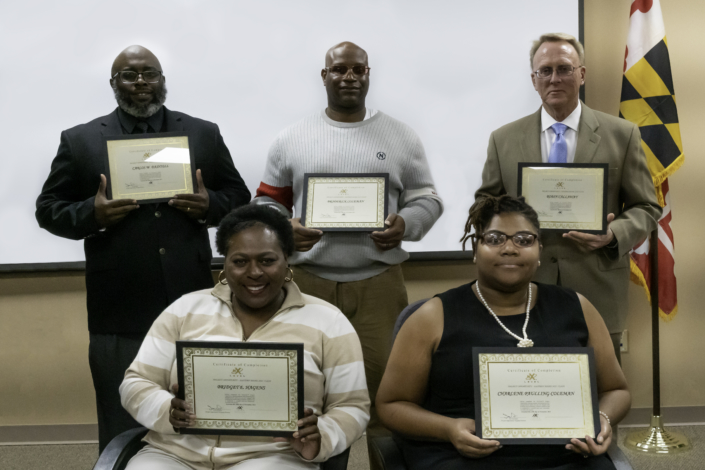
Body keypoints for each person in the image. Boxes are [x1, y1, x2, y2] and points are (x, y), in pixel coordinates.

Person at [35, 45, 251, 452]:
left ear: (162, 79)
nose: (140, 84)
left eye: (149, 74)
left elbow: (238, 195)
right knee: (122, 418)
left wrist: (211, 207)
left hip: (192, 300)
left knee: (202, 410)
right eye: (128, 76)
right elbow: (48, 210)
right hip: (118, 306)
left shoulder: (202, 133)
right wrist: (92, 213)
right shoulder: (80, 140)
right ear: (114, 84)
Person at [252, 41, 443, 464]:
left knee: (386, 400)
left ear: (368, 75)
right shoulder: (292, 138)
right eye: (339, 70)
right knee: (306, 401)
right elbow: (267, 202)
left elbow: (427, 199)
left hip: (378, 286)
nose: (349, 77)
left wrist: (405, 225)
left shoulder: (399, 135)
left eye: (358, 70)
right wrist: (286, 228)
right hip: (306, 286)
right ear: (325, 76)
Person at [376, 195, 631, 470]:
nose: (510, 248)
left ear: (540, 249)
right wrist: (448, 429)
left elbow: (616, 389)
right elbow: (392, 404)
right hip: (461, 457)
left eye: (524, 240)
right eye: (495, 238)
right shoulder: (432, 316)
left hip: (566, 456)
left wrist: (602, 418)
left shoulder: (577, 307)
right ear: (476, 248)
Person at [119, 204, 370, 469]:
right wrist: (167, 410)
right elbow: (136, 382)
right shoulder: (185, 310)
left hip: (273, 456)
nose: (254, 273)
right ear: (225, 264)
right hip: (175, 452)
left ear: (287, 260)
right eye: (240, 261)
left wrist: (321, 437)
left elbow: (352, 405)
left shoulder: (328, 321)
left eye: (267, 260)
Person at [475, 33, 661, 361]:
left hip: (597, 287)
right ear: (533, 80)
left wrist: (613, 234)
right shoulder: (502, 139)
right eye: (544, 71)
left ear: (582, 74)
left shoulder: (622, 134)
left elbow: (646, 206)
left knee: (599, 391)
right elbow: (484, 205)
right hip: (521, 285)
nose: (555, 78)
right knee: (531, 391)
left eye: (564, 68)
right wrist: (506, 231)